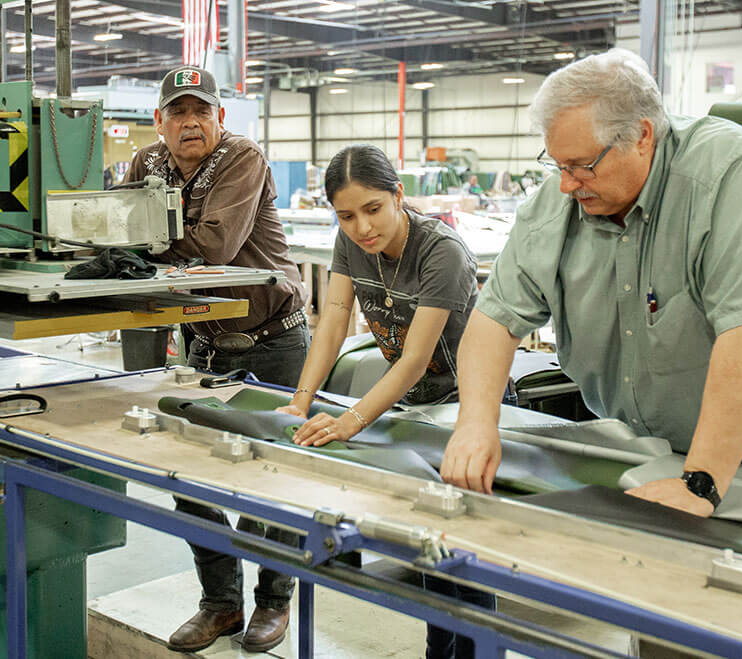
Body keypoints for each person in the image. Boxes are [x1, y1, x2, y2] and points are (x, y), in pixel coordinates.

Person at [440, 48, 742, 517]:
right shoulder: (557, 207)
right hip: (655, 450)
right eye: (557, 165)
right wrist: (475, 422)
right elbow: (495, 320)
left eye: (581, 164)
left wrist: (701, 483)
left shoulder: (726, 170)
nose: (566, 185)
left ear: (641, 136)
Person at [276, 143, 493, 658]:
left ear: (398, 196)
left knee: (468, 554)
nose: (362, 228)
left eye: (373, 209)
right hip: (416, 408)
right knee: (428, 547)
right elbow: (332, 321)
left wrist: (351, 419)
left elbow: (416, 359)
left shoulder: (443, 252)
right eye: (346, 216)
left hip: (468, 405)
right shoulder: (351, 242)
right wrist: (299, 403)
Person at [124, 65, 309, 653]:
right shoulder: (144, 165)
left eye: (201, 111)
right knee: (188, 475)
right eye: (178, 113)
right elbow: (116, 231)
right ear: (159, 122)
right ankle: (221, 604)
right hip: (204, 343)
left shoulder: (241, 157)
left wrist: (138, 245)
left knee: (270, 477)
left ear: (219, 118)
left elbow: (214, 247)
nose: (190, 122)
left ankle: (273, 601)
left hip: (273, 338)